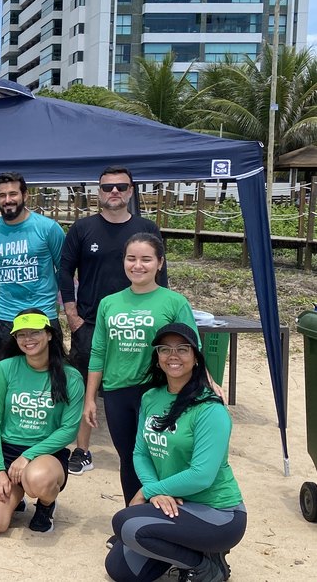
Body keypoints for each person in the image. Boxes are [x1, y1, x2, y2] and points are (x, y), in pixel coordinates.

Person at [105, 323, 244, 582]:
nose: (173, 355)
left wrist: (147, 492)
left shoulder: (209, 409)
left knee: (125, 523)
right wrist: (154, 489)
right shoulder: (150, 398)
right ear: (157, 358)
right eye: (165, 349)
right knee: (119, 568)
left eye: (182, 349)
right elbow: (140, 453)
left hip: (217, 513)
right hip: (175, 505)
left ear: (195, 357)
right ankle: (190, 548)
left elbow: (201, 475)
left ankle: (206, 566)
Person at [60, 166, 167, 477]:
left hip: (139, 323)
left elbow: (161, 272)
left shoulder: (146, 228)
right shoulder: (82, 229)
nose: (114, 192)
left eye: (121, 186)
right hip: (91, 323)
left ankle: (144, 450)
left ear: (131, 191)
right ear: (99, 192)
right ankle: (81, 450)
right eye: (108, 187)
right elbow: (64, 272)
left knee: (142, 387)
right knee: (83, 388)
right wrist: (73, 316)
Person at [85, 233, 197, 508]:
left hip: (158, 390)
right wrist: (90, 398)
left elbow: (192, 349)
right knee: (130, 458)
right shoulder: (109, 303)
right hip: (116, 392)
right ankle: (133, 519)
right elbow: (99, 351)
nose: (138, 265)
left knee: (161, 455)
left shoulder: (174, 302)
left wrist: (207, 383)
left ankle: (165, 520)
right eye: (131, 258)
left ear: (160, 263)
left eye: (146, 259)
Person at [0, 310, 83, 537]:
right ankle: (15, 498)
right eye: (21, 334)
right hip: (7, 453)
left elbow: (69, 430)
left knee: (36, 479)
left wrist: (28, 456)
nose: (28, 339)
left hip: (46, 454)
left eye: (34, 332)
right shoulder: (4, 369)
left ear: (50, 335)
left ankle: (45, 506)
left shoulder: (70, 376)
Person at [0, 172, 65, 363]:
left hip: (41, 316)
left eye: (13, 194)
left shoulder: (49, 228)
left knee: (50, 378)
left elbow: (64, 269)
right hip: (4, 317)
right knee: (4, 378)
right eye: (2, 195)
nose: (8, 200)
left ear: (25, 195)